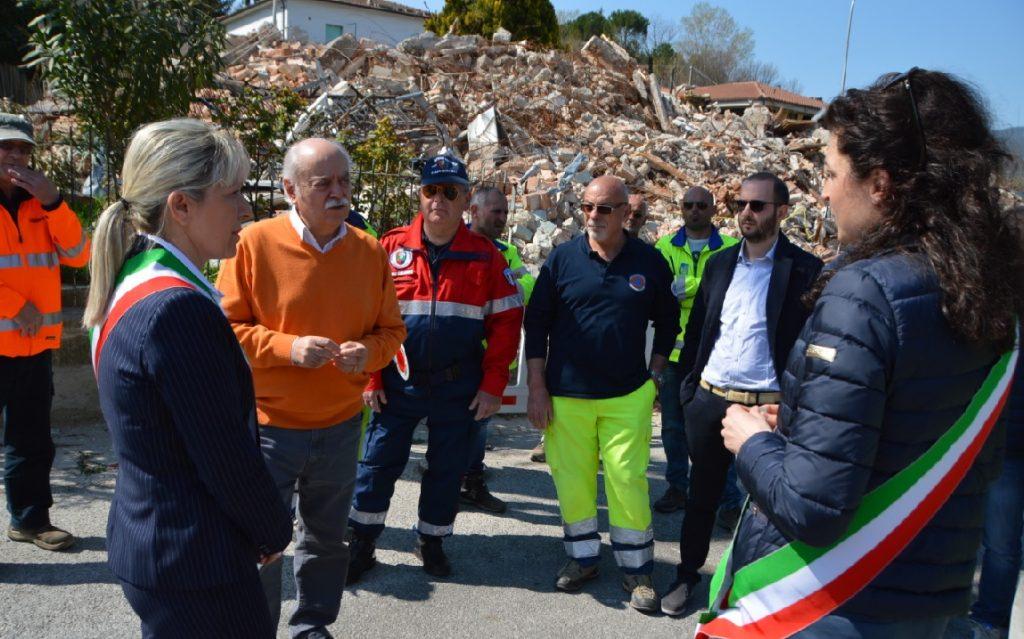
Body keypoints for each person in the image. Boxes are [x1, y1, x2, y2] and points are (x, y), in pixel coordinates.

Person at [713, 69, 1023, 638]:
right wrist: (811, 422)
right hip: (932, 597)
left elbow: (814, 505)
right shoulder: (984, 286)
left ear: (879, 184)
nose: (824, 192)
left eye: (831, 173)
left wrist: (752, 440)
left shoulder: (866, 291)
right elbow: (923, 429)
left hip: (840, 603)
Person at [85, 118, 292, 638]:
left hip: (160, 541)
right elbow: (222, 450)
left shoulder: (137, 273)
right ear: (181, 206)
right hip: (196, 558)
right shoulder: (176, 309)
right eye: (233, 193)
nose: (246, 208)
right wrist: (272, 529)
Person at [216, 137, 406, 638]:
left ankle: (313, 626)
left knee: (326, 540)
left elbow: (392, 331)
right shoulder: (252, 243)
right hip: (268, 427)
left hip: (342, 425)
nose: (338, 192)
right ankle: (256, 628)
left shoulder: (367, 250)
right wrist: (287, 348)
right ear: (290, 190)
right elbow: (224, 330)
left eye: (344, 180)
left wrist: (371, 355)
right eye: (323, 183)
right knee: (263, 540)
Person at [347, 154, 523, 581]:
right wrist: (371, 375)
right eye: (431, 190)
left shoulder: (486, 257)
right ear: (420, 196)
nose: (438, 199)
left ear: (465, 200)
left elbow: (506, 323)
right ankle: (363, 544)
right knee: (377, 465)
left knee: (446, 470)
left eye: (449, 192)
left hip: (457, 385)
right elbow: (364, 315)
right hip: (396, 381)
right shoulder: (389, 248)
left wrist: (493, 385)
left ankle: (432, 541)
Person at [661, 171, 823, 616]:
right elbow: (696, 333)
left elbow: (810, 345)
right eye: (740, 205)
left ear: (782, 212)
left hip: (767, 409)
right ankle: (687, 574)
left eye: (758, 205)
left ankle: (761, 593)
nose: (746, 213)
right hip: (710, 400)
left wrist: (793, 404)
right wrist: (691, 393)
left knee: (770, 506)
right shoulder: (720, 263)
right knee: (702, 496)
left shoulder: (805, 270)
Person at [525, 175, 679, 613]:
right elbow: (536, 326)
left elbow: (668, 322)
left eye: (604, 209)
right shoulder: (562, 259)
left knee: (627, 481)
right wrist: (537, 387)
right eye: (587, 207)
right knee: (572, 483)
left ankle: (637, 571)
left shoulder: (648, 261)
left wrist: (656, 374)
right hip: (566, 397)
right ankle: (583, 559)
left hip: (627, 394)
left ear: (626, 213)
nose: (593, 216)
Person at [0, 113, 90, 551]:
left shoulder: (44, 203)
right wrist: (16, 306)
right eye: (6, 148)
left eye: (23, 149)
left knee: (31, 439)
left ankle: (30, 521)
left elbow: (77, 255)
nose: (16, 157)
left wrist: (55, 203)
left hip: (33, 347)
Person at [651, 186, 738, 515]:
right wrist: (705, 286)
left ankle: (727, 499)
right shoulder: (665, 247)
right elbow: (660, 292)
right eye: (689, 205)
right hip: (675, 357)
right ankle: (677, 488)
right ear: (681, 208)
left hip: (716, 356)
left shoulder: (731, 248)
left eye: (701, 205)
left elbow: (731, 290)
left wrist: (689, 286)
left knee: (720, 429)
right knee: (673, 426)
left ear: (713, 209)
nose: (695, 210)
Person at [461, 185, 535, 514]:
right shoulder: (454, 244)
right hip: (457, 353)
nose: (503, 219)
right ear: (474, 211)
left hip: (490, 357)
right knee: (456, 421)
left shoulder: (506, 250)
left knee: (479, 421)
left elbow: (527, 287)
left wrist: (501, 287)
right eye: (497, 212)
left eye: (505, 212)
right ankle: (453, 477)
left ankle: (470, 480)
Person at [969, 346, 1023, 639]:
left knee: (1002, 544)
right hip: (1005, 443)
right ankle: (990, 619)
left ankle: (991, 618)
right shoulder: (1008, 316)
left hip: (1007, 445)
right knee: (1000, 542)